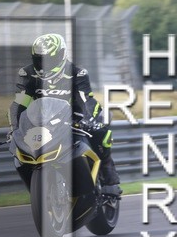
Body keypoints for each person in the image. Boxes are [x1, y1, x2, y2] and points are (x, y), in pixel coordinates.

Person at [8, 33, 122, 196]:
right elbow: (20, 103)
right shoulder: (27, 74)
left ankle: (110, 180)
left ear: (61, 55)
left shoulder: (77, 73)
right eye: (40, 60)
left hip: (75, 115)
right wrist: (15, 127)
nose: (44, 64)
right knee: (20, 148)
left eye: (49, 59)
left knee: (99, 131)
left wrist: (88, 119)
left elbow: (85, 99)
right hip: (43, 119)